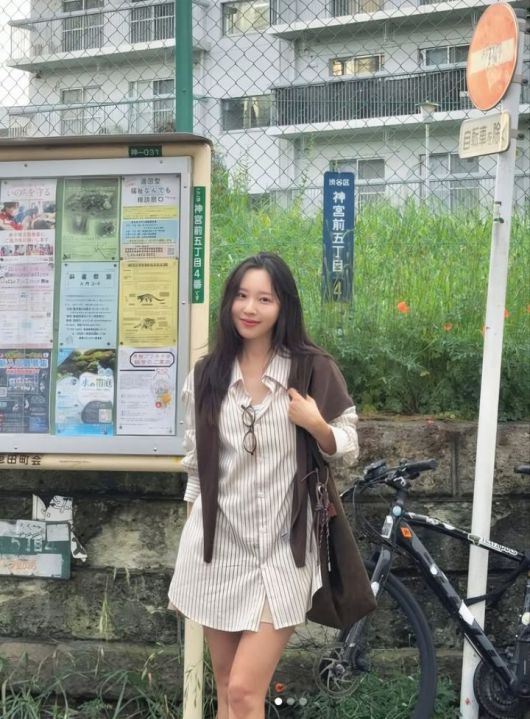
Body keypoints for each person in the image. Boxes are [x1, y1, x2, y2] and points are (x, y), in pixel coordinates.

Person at [168, 252, 359, 719]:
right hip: (218, 551)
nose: (249, 308)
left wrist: (316, 423)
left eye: (264, 299)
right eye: (241, 296)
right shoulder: (207, 375)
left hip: (282, 553)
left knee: (243, 692)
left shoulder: (311, 369)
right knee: (225, 687)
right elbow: (196, 467)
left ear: (283, 306)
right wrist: (194, 539)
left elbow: (349, 445)